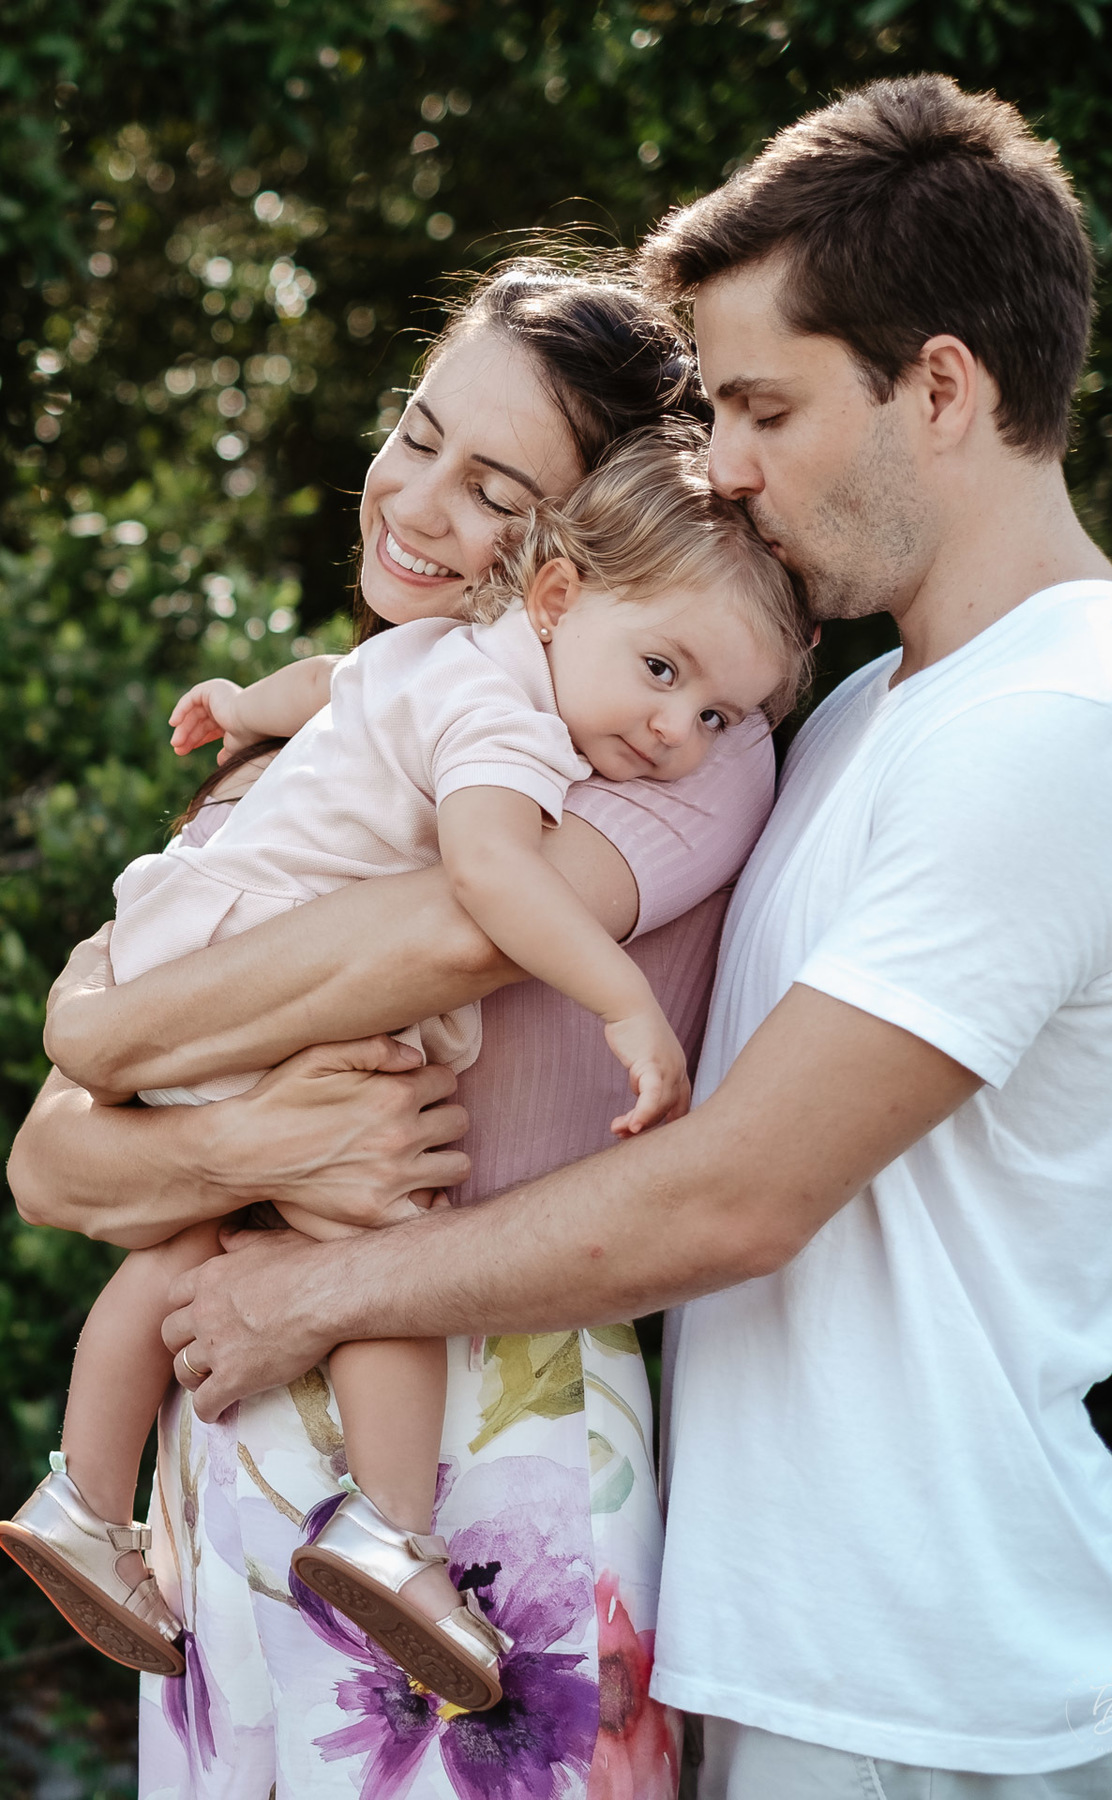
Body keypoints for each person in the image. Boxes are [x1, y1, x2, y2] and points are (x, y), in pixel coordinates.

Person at [30, 72, 1112, 1800]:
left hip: (904, 1653)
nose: (724, 469)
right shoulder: (859, 714)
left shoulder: (1051, 723)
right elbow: (64, 1156)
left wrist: (155, 1092)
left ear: (943, 387)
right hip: (774, 1610)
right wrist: (155, 1087)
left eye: (765, 408)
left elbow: (730, 1187)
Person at [12, 260, 788, 1797]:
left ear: (586, 547)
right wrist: (247, 1141)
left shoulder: (679, 741)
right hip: (227, 1416)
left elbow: (450, 932)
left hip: (489, 1421)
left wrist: (104, 1031)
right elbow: (51, 1166)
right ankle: (85, 1507)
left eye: (493, 488)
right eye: (417, 436)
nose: (417, 504)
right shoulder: (360, 725)